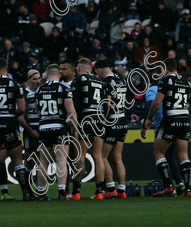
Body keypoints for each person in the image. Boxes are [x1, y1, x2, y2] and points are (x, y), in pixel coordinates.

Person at [0, 57, 37, 201]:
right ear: (7, 68)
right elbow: (22, 108)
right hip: (8, 123)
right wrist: (11, 114)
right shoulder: (13, 84)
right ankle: (25, 193)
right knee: (17, 160)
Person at [144, 58, 191, 197]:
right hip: (185, 120)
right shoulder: (186, 82)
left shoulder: (166, 81)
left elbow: (156, 103)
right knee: (183, 155)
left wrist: (148, 118)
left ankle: (168, 186)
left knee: (158, 152)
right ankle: (188, 189)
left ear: (165, 69)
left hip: (171, 119)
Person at [34, 64, 77, 200]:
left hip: (43, 127)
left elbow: (37, 110)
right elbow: (71, 112)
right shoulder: (63, 89)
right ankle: (61, 192)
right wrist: (75, 130)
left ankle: (41, 193)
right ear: (59, 74)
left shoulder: (39, 90)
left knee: (43, 162)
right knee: (61, 161)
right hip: (59, 126)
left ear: (46, 74)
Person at [69, 58, 109, 199]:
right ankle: (99, 192)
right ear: (90, 69)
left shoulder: (78, 80)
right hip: (99, 119)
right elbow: (107, 104)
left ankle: (76, 192)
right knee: (98, 156)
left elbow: (73, 103)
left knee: (80, 155)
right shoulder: (100, 82)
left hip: (85, 118)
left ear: (79, 69)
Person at [145, 75, 184, 194]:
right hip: (178, 122)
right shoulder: (170, 87)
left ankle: (168, 185)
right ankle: (180, 183)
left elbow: (152, 104)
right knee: (169, 155)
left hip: (164, 124)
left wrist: (146, 120)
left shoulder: (152, 90)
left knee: (157, 152)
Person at [94, 60, 128, 199]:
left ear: (101, 71)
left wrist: (103, 121)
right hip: (122, 120)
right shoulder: (122, 81)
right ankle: (122, 190)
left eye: (97, 72)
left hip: (112, 121)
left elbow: (107, 104)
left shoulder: (106, 83)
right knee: (118, 158)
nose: (97, 75)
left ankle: (110, 188)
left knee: (102, 157)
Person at [22, 69, 42, 187]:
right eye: (34, 79)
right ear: (28, 80)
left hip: (43, 128)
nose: (38, 81)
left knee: (43, 160)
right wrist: (30, 130)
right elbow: (20, 116)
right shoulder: (24, 93)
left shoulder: (44, 91)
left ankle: (40, 188)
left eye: (39, 78)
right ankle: (27, 188)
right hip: (30, 128)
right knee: (30, 161)